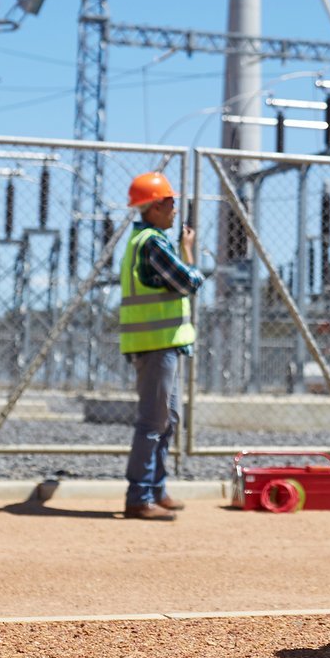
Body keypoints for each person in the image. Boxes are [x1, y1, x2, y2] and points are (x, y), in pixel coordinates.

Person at [119, 171, 206, 522]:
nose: (175, 210)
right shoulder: (153, 243)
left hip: (160, 344)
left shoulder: (147, 241)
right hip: (156, 345)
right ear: (155, 207)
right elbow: (188, 282)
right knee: (153, 421)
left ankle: (156, 489)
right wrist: (190, 255)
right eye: (170, 203)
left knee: (168, 419)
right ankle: (139, 496)